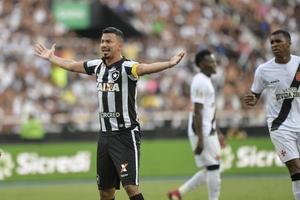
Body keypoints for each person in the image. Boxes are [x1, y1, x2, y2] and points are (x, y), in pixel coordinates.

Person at [34, 27, 185, 200]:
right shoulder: (97, 66)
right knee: (105, 192)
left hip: (126, 135)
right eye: (102, 41)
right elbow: (72, 65)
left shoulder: (128, 67)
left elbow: (145, 68)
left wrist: (169, 63)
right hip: (105, 137)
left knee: (131, 189)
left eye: (108, 41)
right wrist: (52, 58)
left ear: (119, 45)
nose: (104, 45)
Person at [244, 29, 300, 200]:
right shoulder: (263, 70)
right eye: (272, 43)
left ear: (289, 44)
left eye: (278, 42)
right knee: (296, 168)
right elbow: (256, 93)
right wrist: (252, 99)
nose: (274, 45)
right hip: (279, 125)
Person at [168, 49, 224, 200]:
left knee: (214, 168)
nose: (214, 64)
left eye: (214, 60)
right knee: (214, 167)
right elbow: (197, 112)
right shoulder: (200, 81)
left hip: (208, 130)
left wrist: (217, 131)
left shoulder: (205, 80)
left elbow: (208, 110)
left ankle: (178, 193)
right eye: (210, 61)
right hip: (203, 132)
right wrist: (200, 138)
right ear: (201, 64)